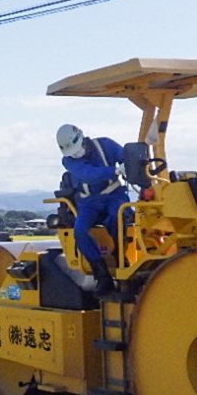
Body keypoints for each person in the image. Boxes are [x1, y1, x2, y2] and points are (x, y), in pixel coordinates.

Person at [57, 123, 129, 296]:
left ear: (82, 138)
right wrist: (116, 170)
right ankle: (102, 275)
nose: (76, 154)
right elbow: (89, 174)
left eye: (77, 149)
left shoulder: (105, 145)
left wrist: (131, 165)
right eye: (72, 153)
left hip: (114, 196)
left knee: (117, 216)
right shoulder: (68, 161)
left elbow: (127, 157)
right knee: (79, 232)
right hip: (89, 202)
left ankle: (121, 256)